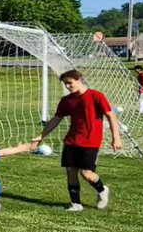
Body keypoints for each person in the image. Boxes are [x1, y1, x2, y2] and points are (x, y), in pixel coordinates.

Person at [33, 70, 122, 212]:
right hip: (71, 141)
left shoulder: (96, 96)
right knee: (71, 171)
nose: (68, 86)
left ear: (80, 79)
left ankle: (102, 189)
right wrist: (41, 135)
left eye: (70, 83)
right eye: (65, 84)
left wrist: (116, 138)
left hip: (91, 141)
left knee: (86, 173)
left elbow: (111, 116)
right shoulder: (67, 101)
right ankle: (76, 204)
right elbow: (56, 119)